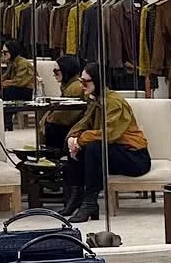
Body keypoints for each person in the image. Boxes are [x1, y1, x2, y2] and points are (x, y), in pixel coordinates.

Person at [62, 63, 151, 222]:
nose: (82, 86)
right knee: (79, 146)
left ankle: (89, 202)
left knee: (94, 148)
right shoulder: (96, 99)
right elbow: (83, 123)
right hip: (117, 152)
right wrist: (72, 140)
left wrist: (80, 140)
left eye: (85, 82)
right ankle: (78, 198)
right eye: (81, 81)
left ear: (97, 80)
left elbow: (109, 134)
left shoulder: (113, 102)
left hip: (135, 158)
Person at [42, 55, 85, 154]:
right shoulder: (69, 86)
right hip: (74, 124)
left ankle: (53, 157)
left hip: (75, 126)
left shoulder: (74, 88)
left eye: (56, 71)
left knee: (52, 127)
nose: (54, 74)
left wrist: (49, 118)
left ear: (66, 69)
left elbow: (68, 114)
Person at [1, 39, 35, 129]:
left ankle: (7, 124)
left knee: (7, 92)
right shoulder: (12, 62)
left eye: (5, 52)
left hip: (25, 92)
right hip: (17, 90)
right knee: (4, 92)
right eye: (2, 52)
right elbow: (5, 77)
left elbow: (20, 81)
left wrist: (6, 83)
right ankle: (5, 122)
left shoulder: (22, 63)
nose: (3, 54)